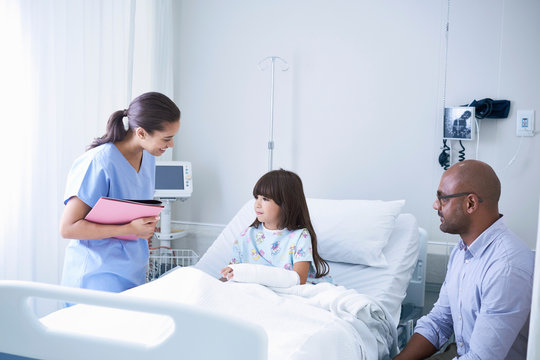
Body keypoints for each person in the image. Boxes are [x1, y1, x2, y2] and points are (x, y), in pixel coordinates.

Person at [395, 160, 534, 360]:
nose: (435, 205)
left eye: (442, 199)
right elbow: (439, 322)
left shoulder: (506, 267)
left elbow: (480, 358)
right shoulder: (462, 251)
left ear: (470, 203)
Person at [59, 92, 181, 296]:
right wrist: (130, 228)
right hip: (96, 277)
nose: (171, 145)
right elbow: (68, 228)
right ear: (141, 133)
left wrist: (143, 225)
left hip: (132, 273)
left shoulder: (148, 158)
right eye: (166, 138)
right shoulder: (99, 162)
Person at [220, 169, 330, 285]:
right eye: (256, 197)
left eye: (265, 199)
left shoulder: (300, 237)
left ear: (286, 203)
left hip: (289, 291)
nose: (257, 204)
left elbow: (299, 280)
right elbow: (232, 273)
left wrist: (255, 275)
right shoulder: (247, 235)